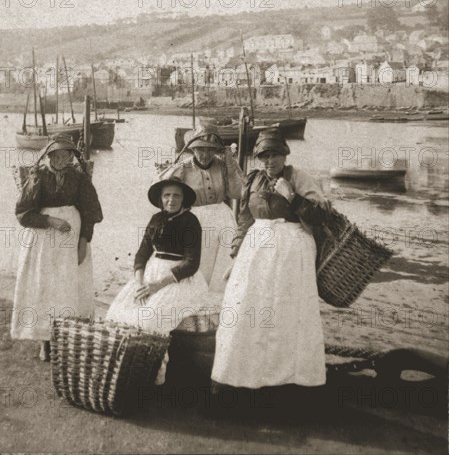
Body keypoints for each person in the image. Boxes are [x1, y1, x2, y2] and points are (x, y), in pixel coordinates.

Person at [211, 127, 330, 389]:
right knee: (246, 308)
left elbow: (321, 219)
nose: (270, 161)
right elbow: (244, 219)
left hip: (292, 251)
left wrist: (291, 196)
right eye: (264, 156)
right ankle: (242, 376)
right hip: (256, 251)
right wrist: (235, 257)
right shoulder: (252, 180)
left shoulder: (300, 178)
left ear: (284, 155)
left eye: (275, 155)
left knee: (286, 311)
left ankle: (289, 380)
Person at [105, 176, 208, 384]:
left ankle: (151, 375)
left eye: (176, 196)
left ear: (183, 199)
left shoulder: (190, 222)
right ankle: (121, 370)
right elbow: (142, 254)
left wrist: (156, 286)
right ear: (161, 199)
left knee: (151, 320)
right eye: (167, 195)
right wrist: (139, 281)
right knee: (116, 313)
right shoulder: (155, 219)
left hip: (178, 278)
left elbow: (191, 263)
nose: (171, 200)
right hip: (151, 273)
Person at [10, 134, 103, 361]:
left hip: (71, 241)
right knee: (46, 287)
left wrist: (83, 242)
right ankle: (45, 341)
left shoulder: (79, 179)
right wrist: (51, 221)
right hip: (43, 241)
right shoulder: (38, 177)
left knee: (69, 288)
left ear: (72, 156)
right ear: (49, 156)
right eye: (56, 155)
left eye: (66, 154)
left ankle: (68, 340)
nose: (61, 159)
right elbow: (23, 214)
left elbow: (91, 213)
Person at [157, 124, 244, 293]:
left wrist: (231, 166)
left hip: (221, 218)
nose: (205, 155)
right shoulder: (183, 168)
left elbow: (237, 193)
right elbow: (163, 195)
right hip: (195, 219)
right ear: (193, 149)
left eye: (210, 150)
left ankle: (220, 298)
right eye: (200, 150)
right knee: (199, 260)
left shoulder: (223, 166)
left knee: (223, 261)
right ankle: (196, 298)